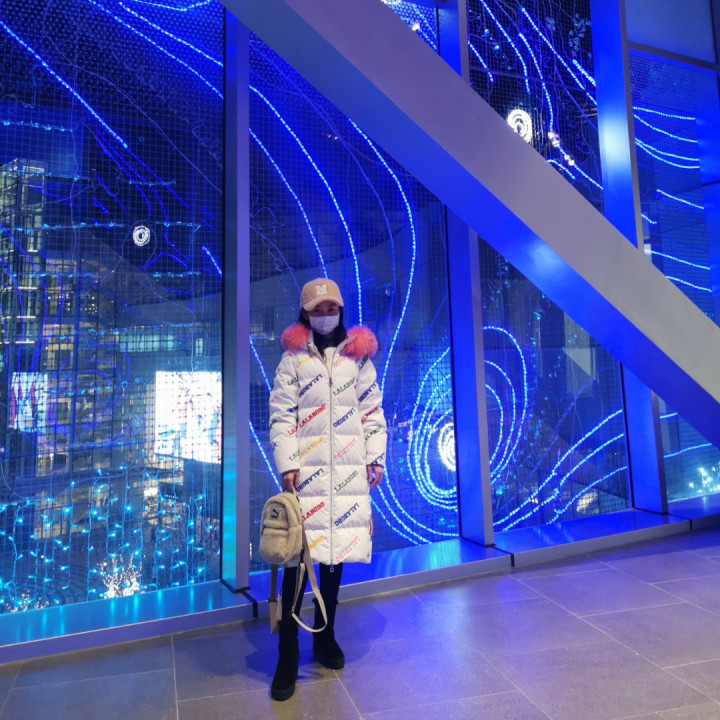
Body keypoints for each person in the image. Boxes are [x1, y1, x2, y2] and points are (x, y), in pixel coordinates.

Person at [268, 277, 387, 701]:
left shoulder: (358, 359)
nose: (324, 316)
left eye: (330, 308)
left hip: (347, 476)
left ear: (340, 310)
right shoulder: (293, 359)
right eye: (316, 310)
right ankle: (287, 652)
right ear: (305, 313)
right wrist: (288, 464)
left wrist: (375, 457)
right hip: (306, 477)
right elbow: (281, 414)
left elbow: (372, 411)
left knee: (334, 558)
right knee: (296, 564)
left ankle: (325, 635)